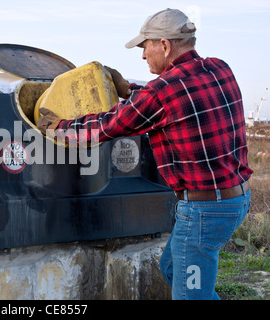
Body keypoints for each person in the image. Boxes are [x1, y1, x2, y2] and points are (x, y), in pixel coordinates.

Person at [38, 8, 253, 300]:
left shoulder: (162, 93)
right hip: (236, 199)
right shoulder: (218, 68)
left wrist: (57, 128)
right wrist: (129, 90)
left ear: (164, 45)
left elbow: (106, 126)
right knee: (173, 270)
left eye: (145, 46)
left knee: (190, 296)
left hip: (204, 211)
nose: (142, 55)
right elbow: (173, 100)